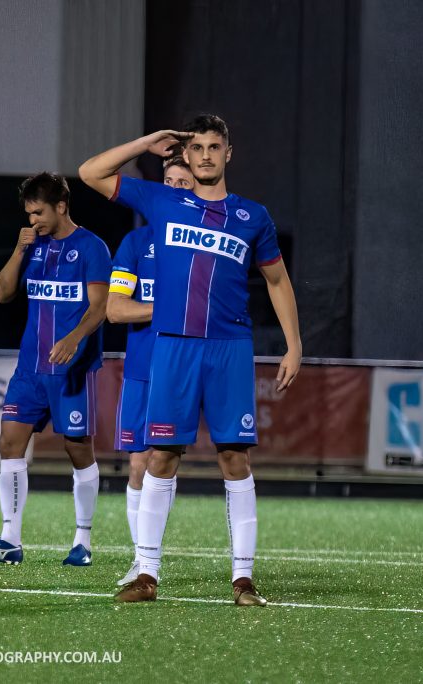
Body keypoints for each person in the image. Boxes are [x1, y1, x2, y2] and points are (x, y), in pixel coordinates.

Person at [80, 116, 301, 605]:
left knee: (234, 457)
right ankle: (147, 574)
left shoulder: (252, 216)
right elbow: (90, 173)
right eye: (197, 147)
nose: (204, 155)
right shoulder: (164, 201)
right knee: (162, 456)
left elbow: (278, 281)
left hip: (230, 348)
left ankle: (243, 579)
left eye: (213, 147)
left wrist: (294, 344)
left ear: (228, 153)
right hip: (173, 346)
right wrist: (144, 143)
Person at [0, 172, 111, 566]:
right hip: (29, 368)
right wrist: (18, 251)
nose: (34, 220)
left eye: (39, 212)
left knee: (77, 448)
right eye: (29, 213)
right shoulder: (32, 245)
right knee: (9, 444)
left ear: (61, 206)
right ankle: (9, 539)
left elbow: (100, 307)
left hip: (71, 368)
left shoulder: (91, 247)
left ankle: (82, 542)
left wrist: (74, 338)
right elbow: (0, 294)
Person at [107, 156, 194, 585]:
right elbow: (116, 310)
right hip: (143, 368)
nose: (175, 188)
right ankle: (142, 561)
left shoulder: (203, 244)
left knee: (168, 459)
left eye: (184, 182)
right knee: (138, 463)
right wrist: (169, 310)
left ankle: (150, 557)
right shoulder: (136, 244)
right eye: (169, 180)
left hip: (185, 368)